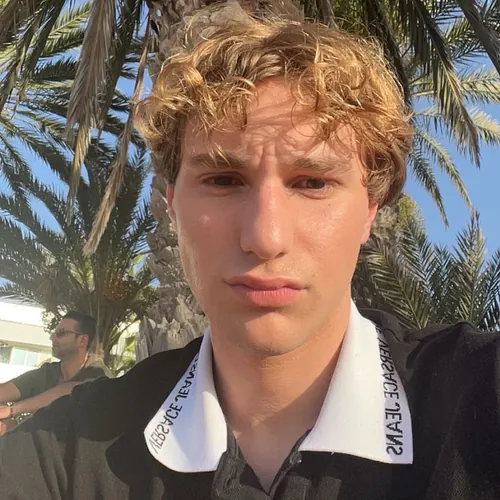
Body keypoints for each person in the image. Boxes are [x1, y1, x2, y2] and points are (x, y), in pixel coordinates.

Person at [1, 8, 499, 500]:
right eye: (223, 180)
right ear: (172, 205)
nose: (265, 236)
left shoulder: (479, 395)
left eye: (313, 182)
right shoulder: (64, 452)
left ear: (370, 210)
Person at [0, 310, 111, 435]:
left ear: (82, 340)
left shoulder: (98, 373)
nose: (52, 338)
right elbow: (7, 390)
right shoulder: (48, 372)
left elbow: (72, 390)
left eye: (60, 333)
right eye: (54, 333)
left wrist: (12, 410)